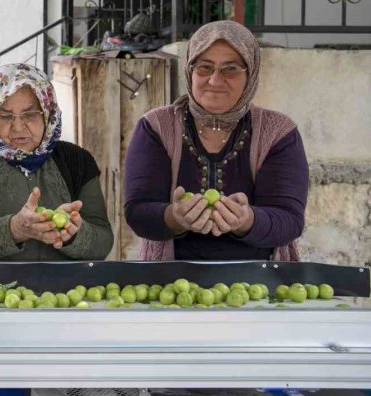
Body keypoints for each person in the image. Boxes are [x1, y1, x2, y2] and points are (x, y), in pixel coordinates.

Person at [124, 20, 308, 261]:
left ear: (250, 73)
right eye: (204, 67)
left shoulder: (278, 132)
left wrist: (246, 220)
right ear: (190, 71)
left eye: (230, 68)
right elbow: (138, 213)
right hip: (169, 283)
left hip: (258, 284)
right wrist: (175, 217)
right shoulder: (156, 127)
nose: (215, 80)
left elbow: (289, 220)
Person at [0, 63, 113, 261]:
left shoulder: (77, 160)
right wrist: (15, 229)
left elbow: (104, 242)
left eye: (30, 114)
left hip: (65, 289)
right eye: (5, 116)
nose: (19, 127)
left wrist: (73, 234)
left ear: (48, 113)